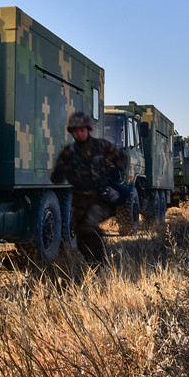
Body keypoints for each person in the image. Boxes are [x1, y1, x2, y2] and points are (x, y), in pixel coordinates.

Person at [50, 111, 128, 265]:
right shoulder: (69, 152)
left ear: (88, 130)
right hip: (79, 200)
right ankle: (95, 266)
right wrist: (62, 171)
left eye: (81, 130)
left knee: (89, 225)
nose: (78, 134)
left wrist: (114, 171)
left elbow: (122, 159)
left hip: (101, 197)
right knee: (80, 238)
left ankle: (102, 265)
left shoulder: (101, 146)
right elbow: (56, 178)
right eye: (75, 131)